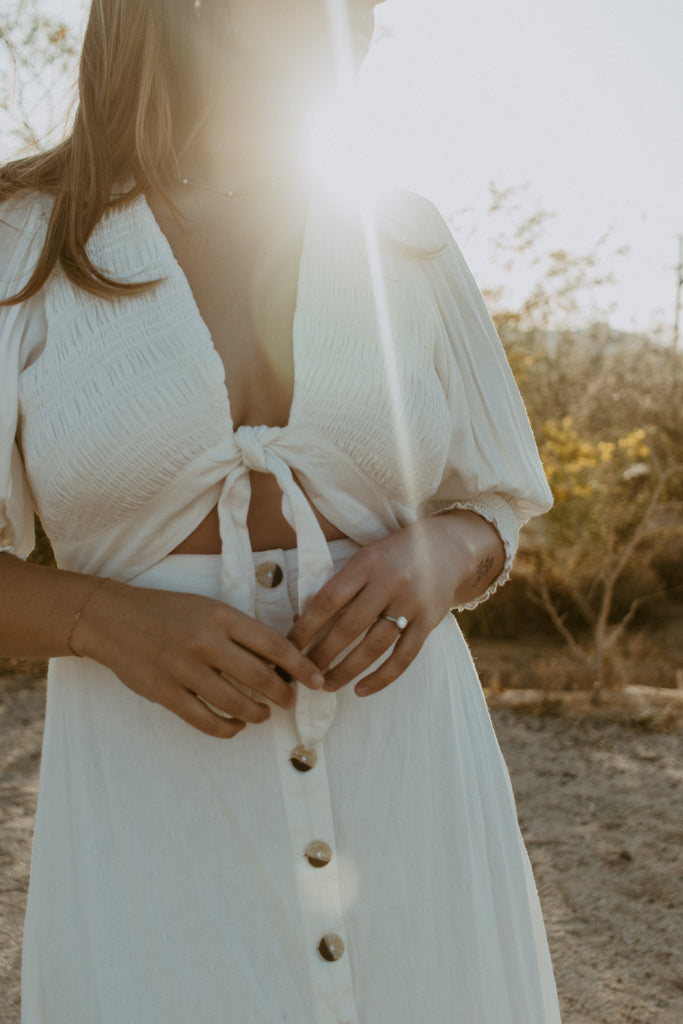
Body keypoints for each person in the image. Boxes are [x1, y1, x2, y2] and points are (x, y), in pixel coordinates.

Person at [0, 1, 562, 1021]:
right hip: (155, 828)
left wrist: (444, 550)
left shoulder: (400, 233)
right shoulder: (22, 237)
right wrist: (94, 618)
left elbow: (494, 504)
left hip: (413, 793)